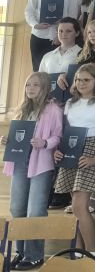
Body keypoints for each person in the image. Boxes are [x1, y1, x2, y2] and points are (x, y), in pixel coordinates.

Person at [53, 63, 95, 257]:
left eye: (86, 80)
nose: (81, 83)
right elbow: (66, 132)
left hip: (92, 151)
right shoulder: (70, 103)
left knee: (79, 206)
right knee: (75, 207)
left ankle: (92, 253)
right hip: (72, 150)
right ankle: (78, 252)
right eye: (78, 80)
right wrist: (58, 151)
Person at [1, 72, 63, 270]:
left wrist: (45, 143)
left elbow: (58, 136)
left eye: (36, 85)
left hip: (41, 164)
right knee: (17, 208)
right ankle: (21, 252)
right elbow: (17, 136)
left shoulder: (53, 109)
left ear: (45, 87)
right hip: (20, 162)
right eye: (28, 85)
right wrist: (7, 140)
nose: (31, 88)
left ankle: (35, 255)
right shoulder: (22, 109)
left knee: (35, 211)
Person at [25, 0, 79, 71]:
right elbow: (29, 11)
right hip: (39, 36)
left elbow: (72, 15)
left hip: (60, 38)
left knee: (57, 71)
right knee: (38, 70)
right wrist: (35, 24)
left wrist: (60, 36)